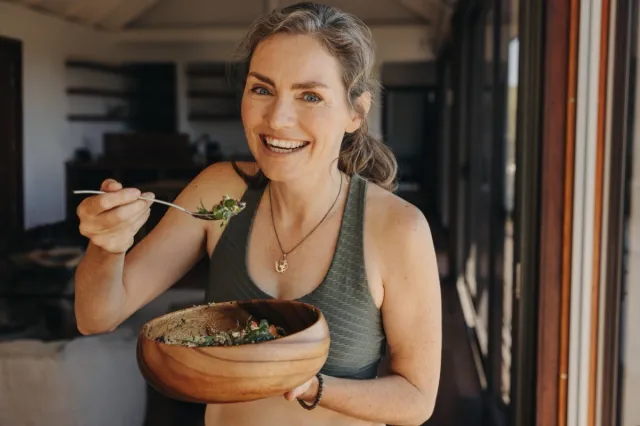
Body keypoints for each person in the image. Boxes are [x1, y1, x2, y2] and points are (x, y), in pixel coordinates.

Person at [74, 3, 442, 425]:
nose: (278, 119)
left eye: (310, 96)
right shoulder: (219, 192)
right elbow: (95, 316)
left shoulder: (397, 228)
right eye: (262, 89)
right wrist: (108, 244)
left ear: (356, 112)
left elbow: (416, 399)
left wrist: (309, 386)